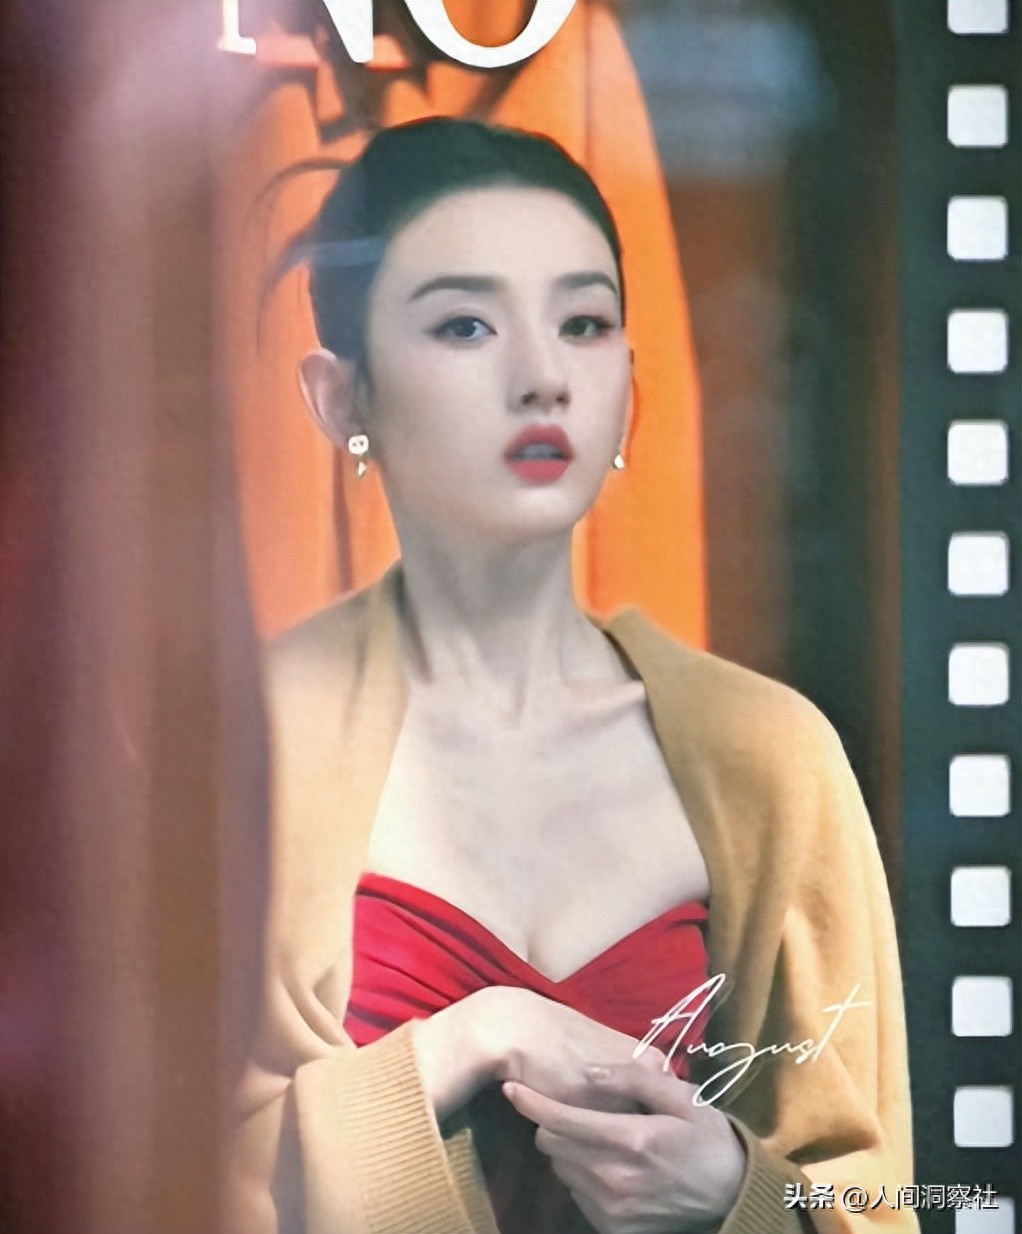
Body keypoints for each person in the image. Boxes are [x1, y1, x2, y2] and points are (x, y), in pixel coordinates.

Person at [227, 118, 916, 1234]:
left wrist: (734, 1190)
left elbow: (877, 1203)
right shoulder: (240, 742)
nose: (543, 376)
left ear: (629, 389)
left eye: (584, 323)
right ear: (340, 398)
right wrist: (473, 1037)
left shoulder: (771, 757)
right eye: (464, 324)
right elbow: (136, 1176)